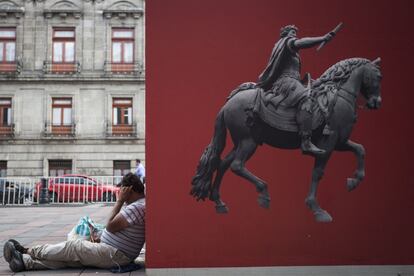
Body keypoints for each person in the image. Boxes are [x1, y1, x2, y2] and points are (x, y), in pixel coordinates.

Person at [3, 173, 145, 272]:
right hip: (113, 251)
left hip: (116, 255)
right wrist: (102, 235)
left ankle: (27, 250)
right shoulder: (138, 205)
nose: (120, 195)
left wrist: (119, 201)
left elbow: (111, 226)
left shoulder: (137, 207)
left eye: (122, 192)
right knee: (70, 259)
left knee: (74, 247)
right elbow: (114, 229)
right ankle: (24, 263)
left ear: (129, 190)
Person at [257, 25, 334, 155]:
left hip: (293, 81)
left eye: (295, 33)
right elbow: (302, 42)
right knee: (307, 97)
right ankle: (306, 141)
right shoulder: (286, 43)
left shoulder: (290, 51)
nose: (294, 35)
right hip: (286, 81)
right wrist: (322, 38)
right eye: (292, 32)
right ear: (286, 34)